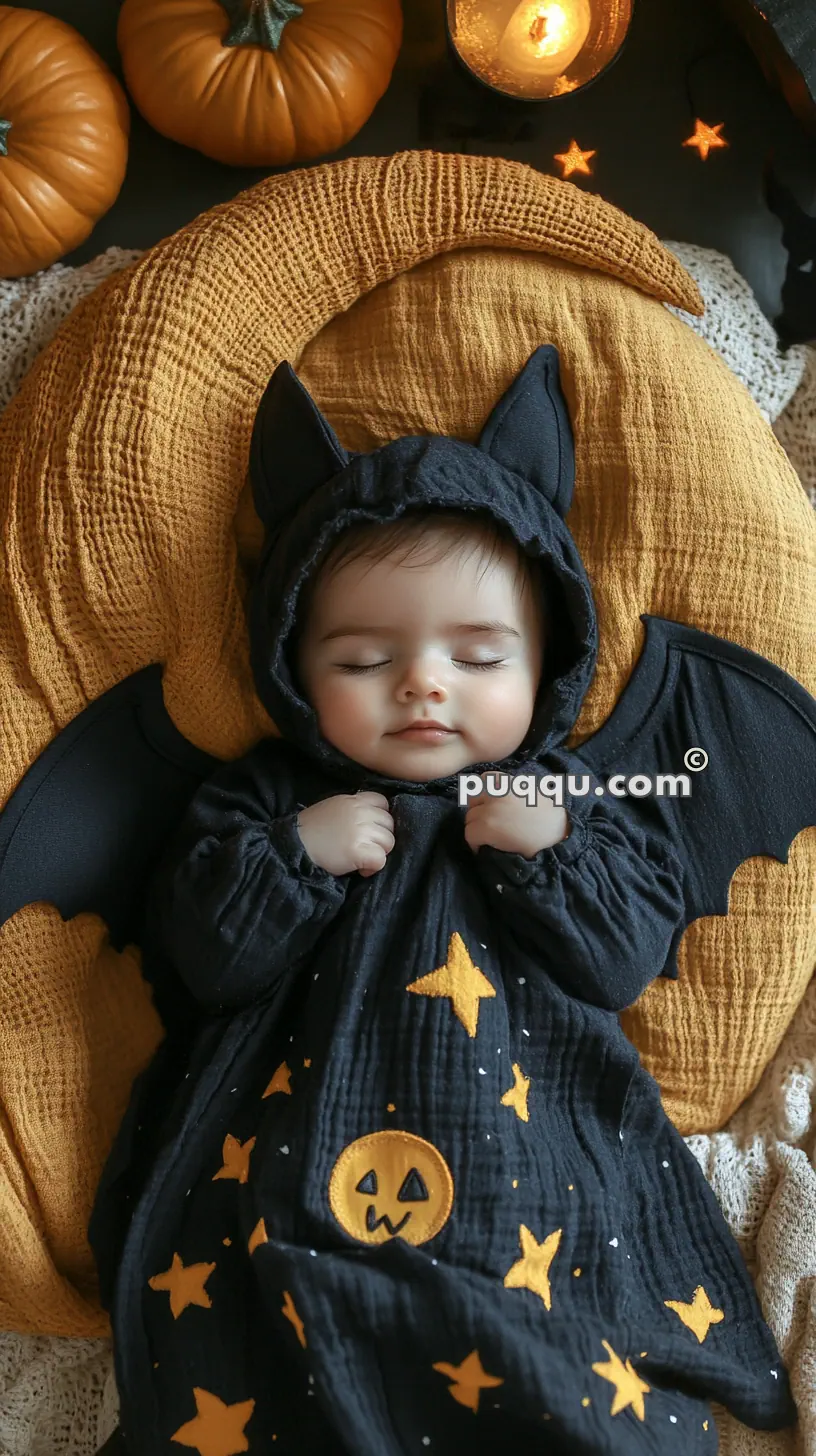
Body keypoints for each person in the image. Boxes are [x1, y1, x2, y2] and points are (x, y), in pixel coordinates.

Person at [91, 347, 796, 1455]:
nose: (425, 682)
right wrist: (293, 857)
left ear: (546, 662)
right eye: (367, 657)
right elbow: (203, 959)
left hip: (532, 1154)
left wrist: (553, 852)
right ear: (290, 664)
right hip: (300, 1151)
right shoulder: (268, 798)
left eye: (478, 655)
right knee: (279, 1321)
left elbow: (622, 958)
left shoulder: (567, 795)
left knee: (561, 1354)